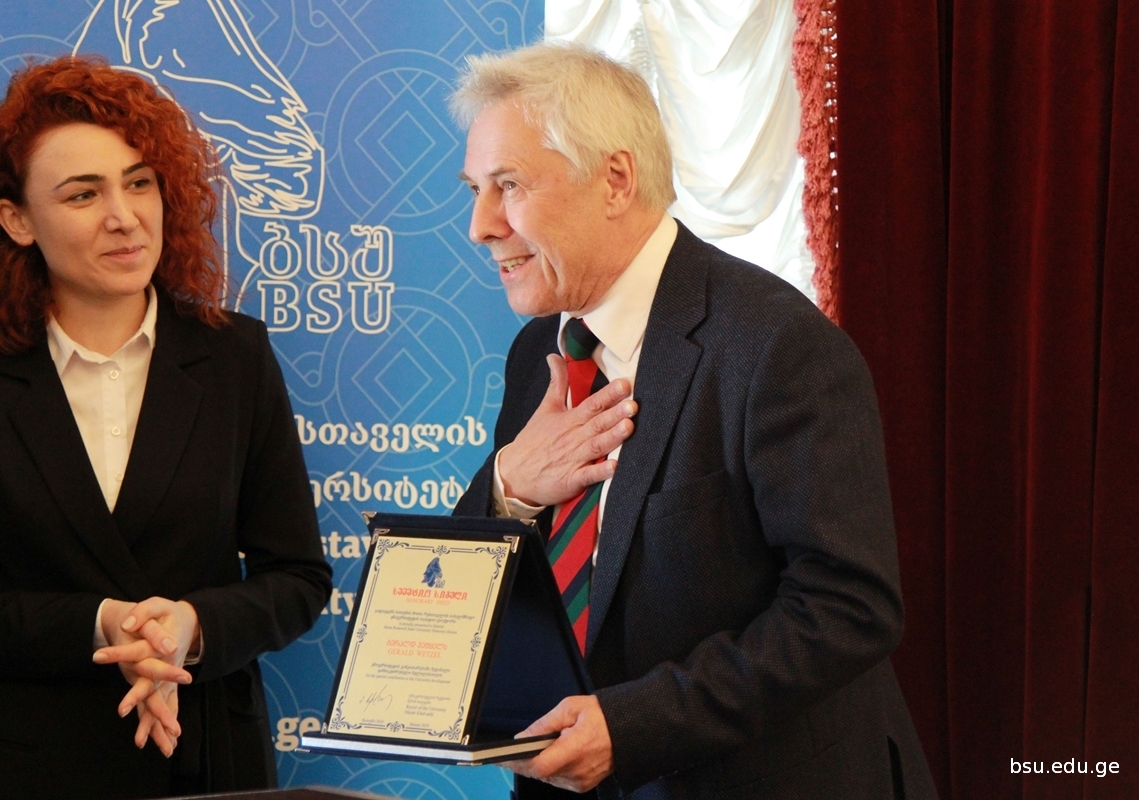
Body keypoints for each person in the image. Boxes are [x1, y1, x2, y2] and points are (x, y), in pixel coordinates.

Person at [450, 42, 937, 799]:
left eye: (507, 186)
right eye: (475, 190)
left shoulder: (775, 345)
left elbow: (847, 608)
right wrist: (508, 488)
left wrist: (633, 727)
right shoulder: (535, 354)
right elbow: (465, 591)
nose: (480, 226)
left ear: (615, 180)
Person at [0, 56, 332, 799]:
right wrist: (103, 624)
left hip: (206, 759)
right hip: (25, 761)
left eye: (140, 182)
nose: (124, 216)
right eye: (83, 194)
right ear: (17, 219)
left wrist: (191, 626)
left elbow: (298, 579)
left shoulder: (235, 354)